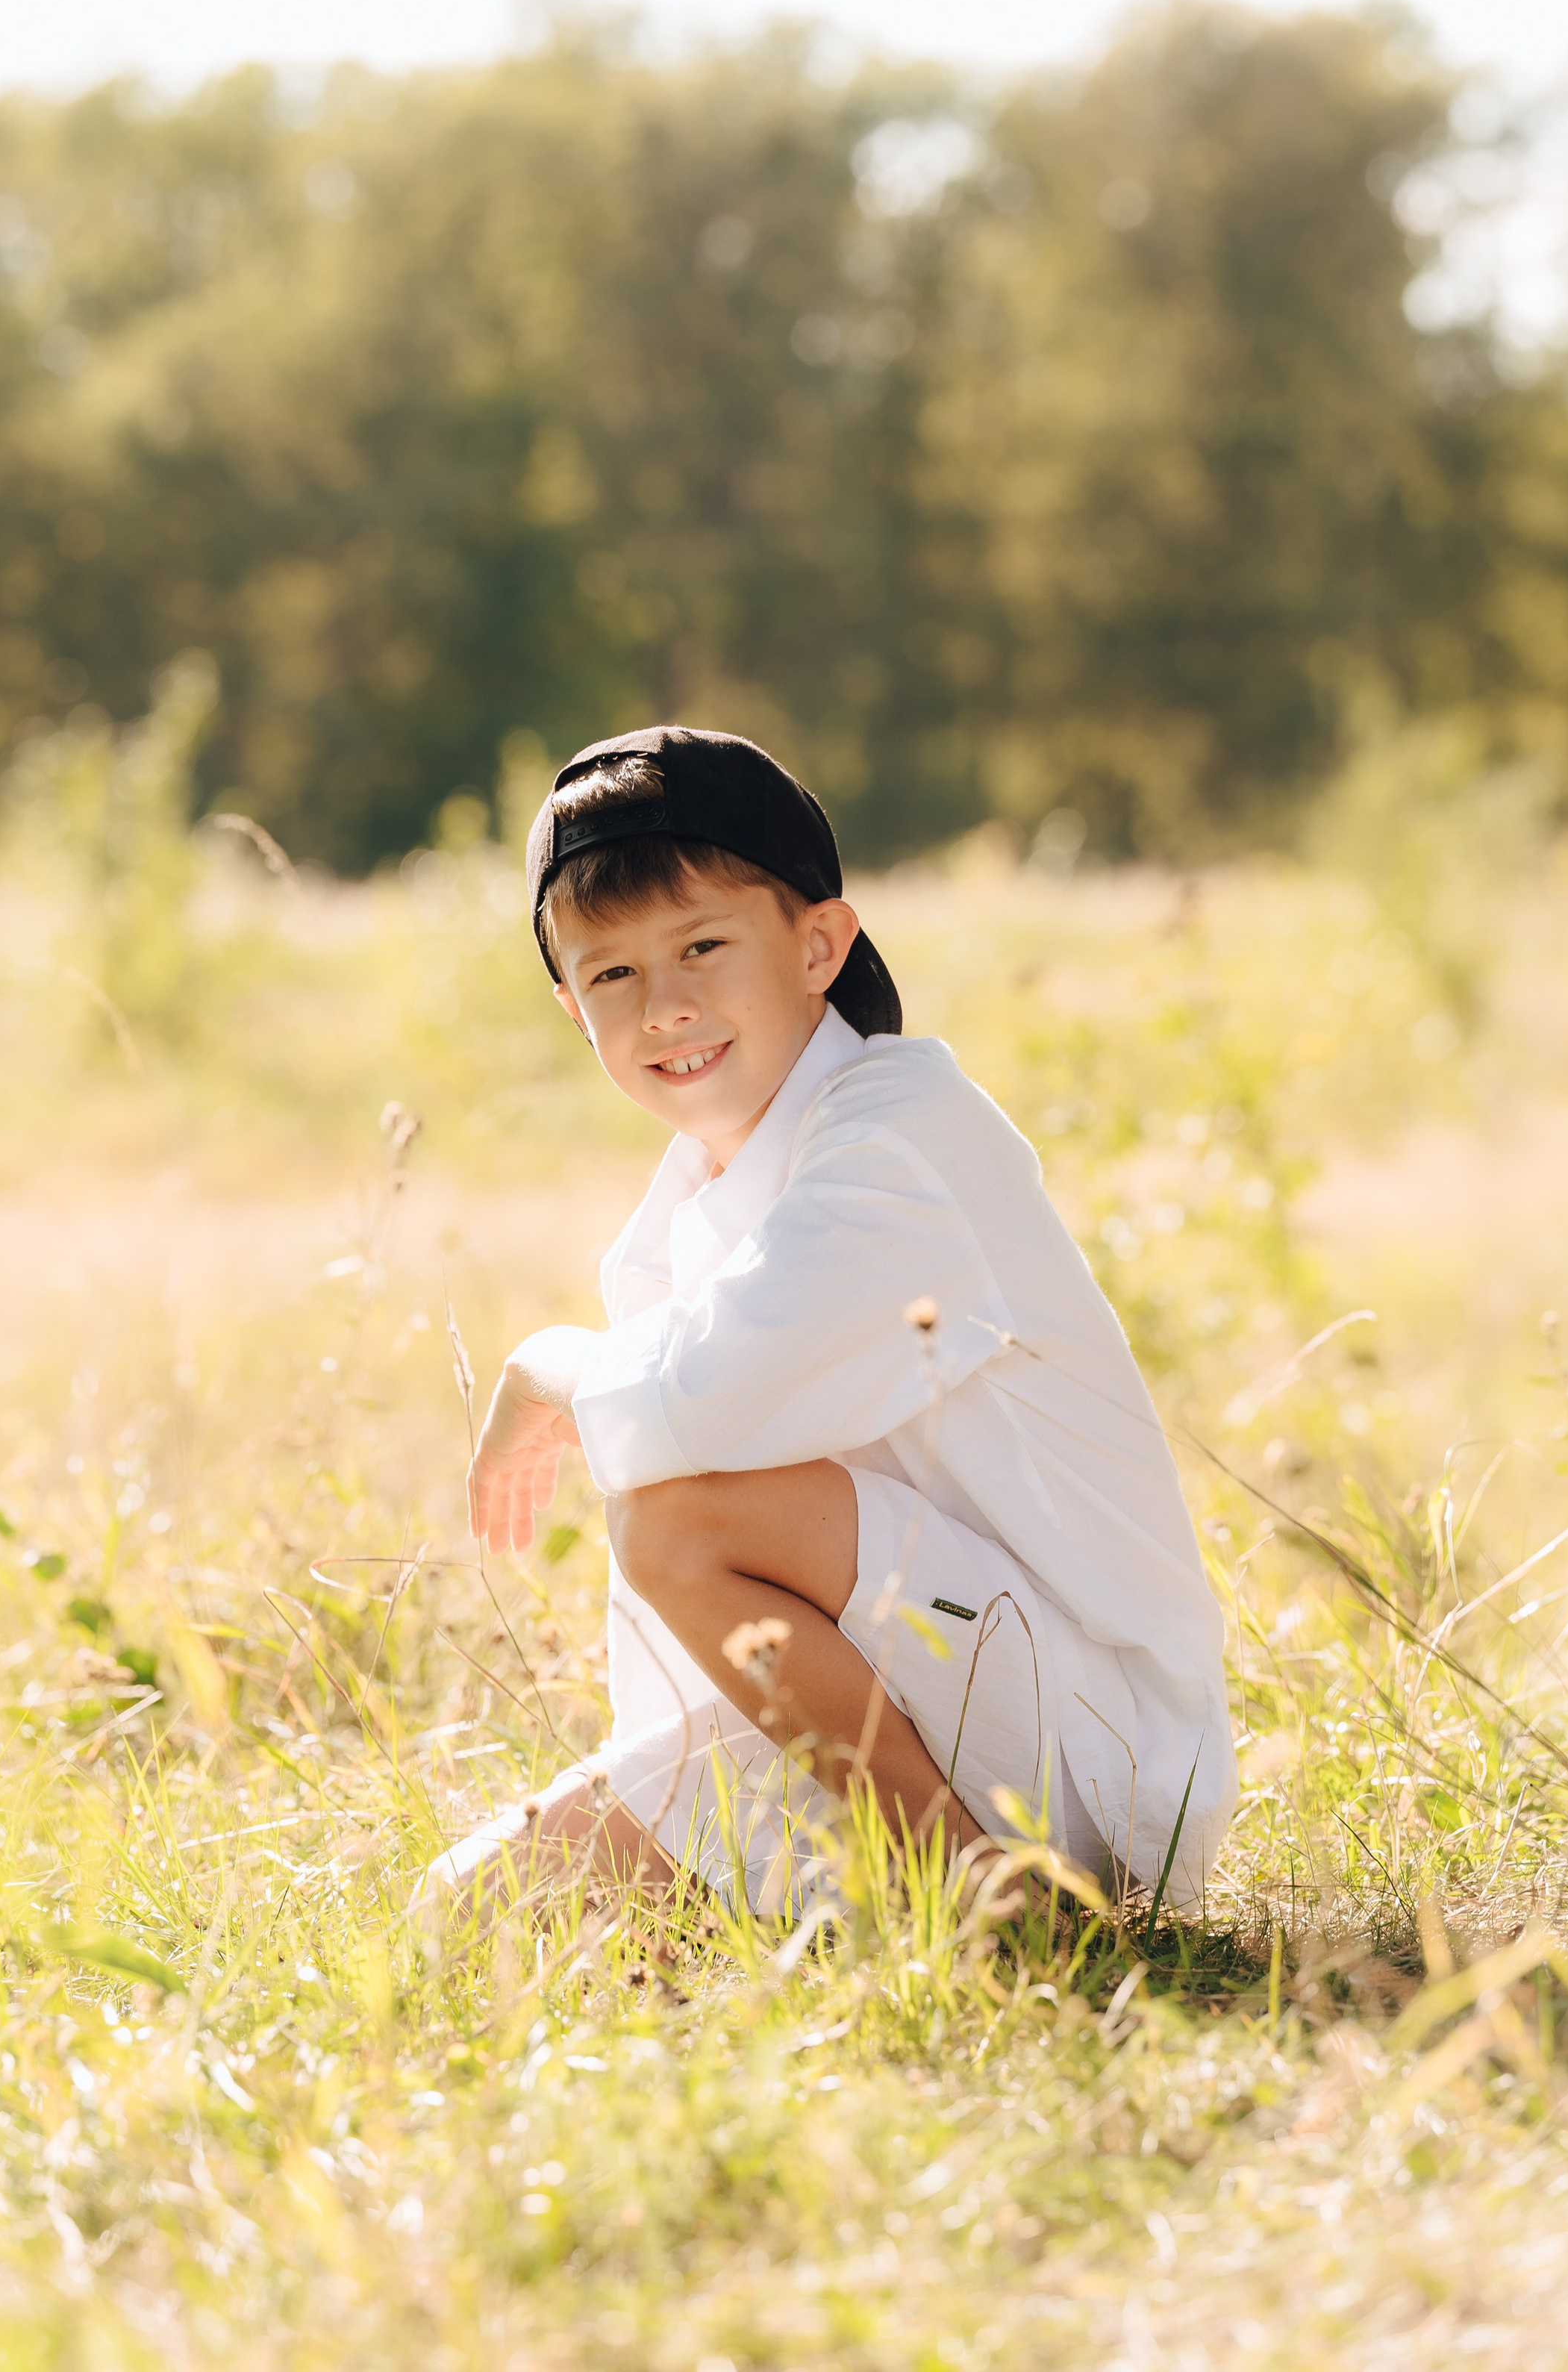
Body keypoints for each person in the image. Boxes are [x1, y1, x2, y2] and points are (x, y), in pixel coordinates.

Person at [421, 726, 1235, 1920]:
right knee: (471, 1918)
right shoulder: (675, 1217)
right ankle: (882, 1887)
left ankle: (986, 1897)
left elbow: (696, 1420)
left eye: (704, 945)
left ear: (818, 944)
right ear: (570, 1006)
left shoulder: (901, 1129)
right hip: (894, 1703)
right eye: (614, 975)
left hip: (1081, 1742)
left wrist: (545, 1365)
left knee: (676, 1521)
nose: (666, 1006)